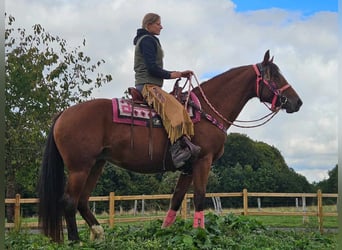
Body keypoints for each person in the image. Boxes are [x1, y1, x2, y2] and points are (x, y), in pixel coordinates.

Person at [133, 13, 200, 169]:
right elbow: (151, 67)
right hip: (148, 86)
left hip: (152, 85)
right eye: (158, 24)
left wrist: (179, 74)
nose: (161, 26)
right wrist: (172, 74)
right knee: (176, 109)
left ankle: (183, 144)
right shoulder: (147, 40)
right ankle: (177, 152)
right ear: (148, 25)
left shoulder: (149, 40)